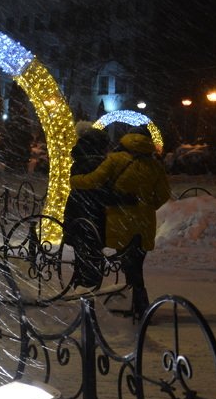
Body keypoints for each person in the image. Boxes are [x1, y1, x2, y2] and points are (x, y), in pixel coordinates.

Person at [70, 129, 171, 320]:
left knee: (129, 264)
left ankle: (140, 306)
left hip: (120, 220)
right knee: (136, 264)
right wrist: (146, 205)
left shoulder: (115, 159)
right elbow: (164, 194)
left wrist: (75, 181)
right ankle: (139, 305)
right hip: (145, 222)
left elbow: (94, 180)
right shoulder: (155, 165)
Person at [63, 122, 111, 288]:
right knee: (93, 248)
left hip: (78, 207)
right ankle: (89, 287)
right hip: (94, 208)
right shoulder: (100, 162)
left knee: (82, 247)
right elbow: (102, 185)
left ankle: (82, 283)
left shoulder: (80, 157)